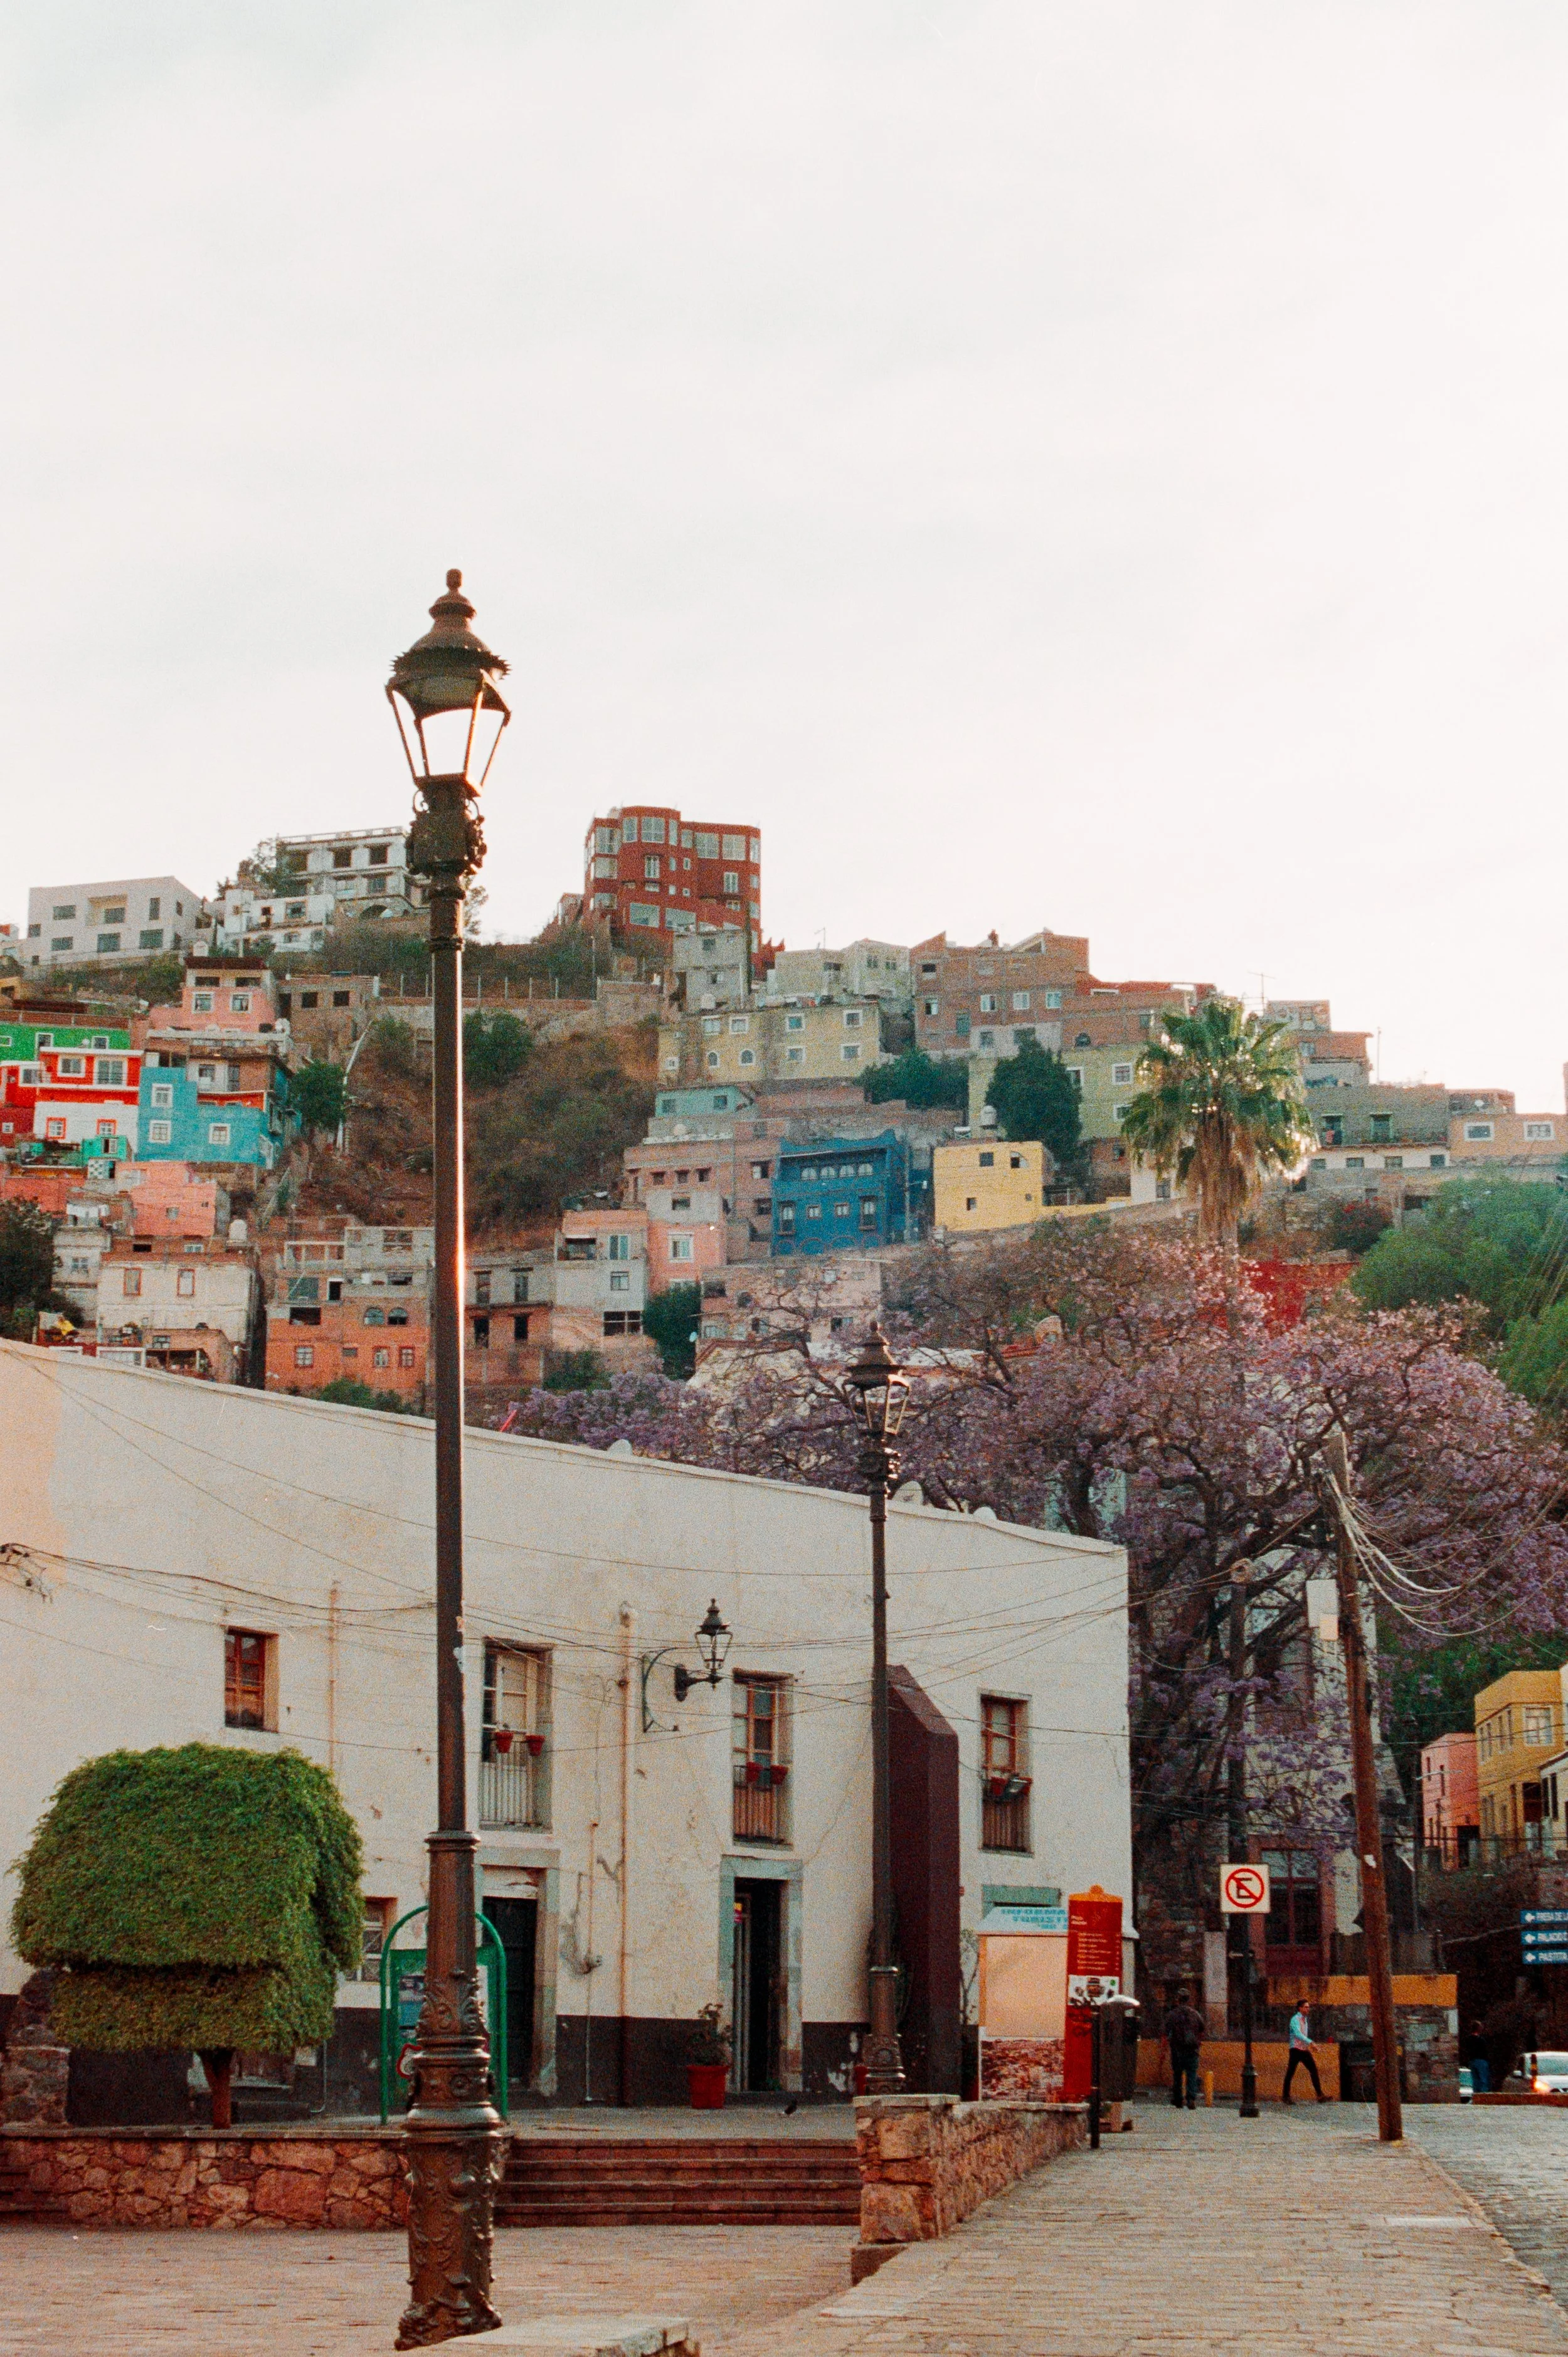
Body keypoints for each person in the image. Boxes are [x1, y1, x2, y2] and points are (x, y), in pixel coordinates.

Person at [1164, 1986, 1205, 2109]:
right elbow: (1202, 2028)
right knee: (1192, 2073)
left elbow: (1166, 2030)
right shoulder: (1195, 2014)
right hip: (1192, 2049)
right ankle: (1191, 2098)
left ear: (1178, 1999)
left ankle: (1178, 2099)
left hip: (1177, 2049)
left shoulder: (1172, 2015)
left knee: (1177, 2074)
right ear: (1188, 2000)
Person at [1281, 2002, 1329, 2103]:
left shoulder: (1305, 2020)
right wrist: (1311, 2042)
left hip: (1303, 2049)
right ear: (1300, 2008)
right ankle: (1286, 2096)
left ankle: (1320, 2095)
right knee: (1291, 2072)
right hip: (1295, 2049)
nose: (1308, 2009)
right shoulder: (1295, 2019)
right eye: (1306, 2007)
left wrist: (1310, 2045)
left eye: (1308, 2007)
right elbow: (1297, 2034)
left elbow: (1303, 2034)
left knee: (1313, 2070)